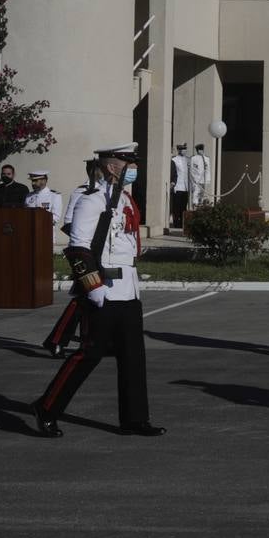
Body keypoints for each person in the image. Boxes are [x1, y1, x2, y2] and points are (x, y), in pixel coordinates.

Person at [31, 142, 164, 438]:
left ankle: (134, 419)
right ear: (111, 166)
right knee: (88, 355)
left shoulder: (126, 201)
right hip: (103, 289)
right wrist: (93, 288)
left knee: (133, 357)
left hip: (128, 289)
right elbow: (77, 248)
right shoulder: (91, 200)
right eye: (128, 162)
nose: (134, 168)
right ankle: (47, 407)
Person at [42, 159, 105, 358]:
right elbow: (68, 222)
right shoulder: (81, 192)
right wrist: (86, 242)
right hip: (87, 253)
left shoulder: (110, 192)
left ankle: (89, 339)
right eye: (97, 170)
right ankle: (59, 340)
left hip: (106, 253)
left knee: (92, 299)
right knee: (84, 298)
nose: (100, 174)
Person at [170, 143, 190, 228]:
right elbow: (173, 173)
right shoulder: (174, 160)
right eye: (182, 149)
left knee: (184, 206)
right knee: (176, 207)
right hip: (177, 187)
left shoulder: (188, 160)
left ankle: (182, 223)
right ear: (179, 150)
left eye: (185, 149)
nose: (184, 151)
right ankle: (176, 223)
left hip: (186, 187)